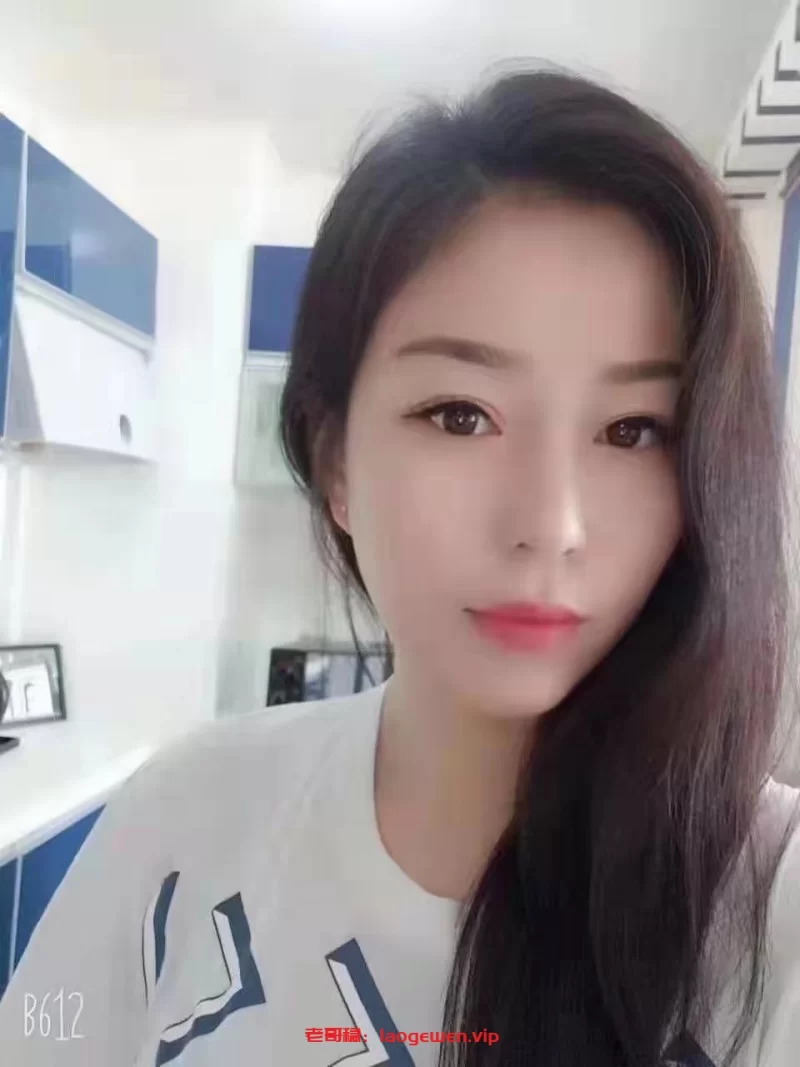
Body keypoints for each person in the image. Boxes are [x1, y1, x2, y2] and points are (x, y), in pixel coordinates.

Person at [1, 68, 799, 1067]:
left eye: (633, 429)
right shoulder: (187, 816)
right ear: (334, 461)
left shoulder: (773, 911)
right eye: (460, 415)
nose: (550, 524)